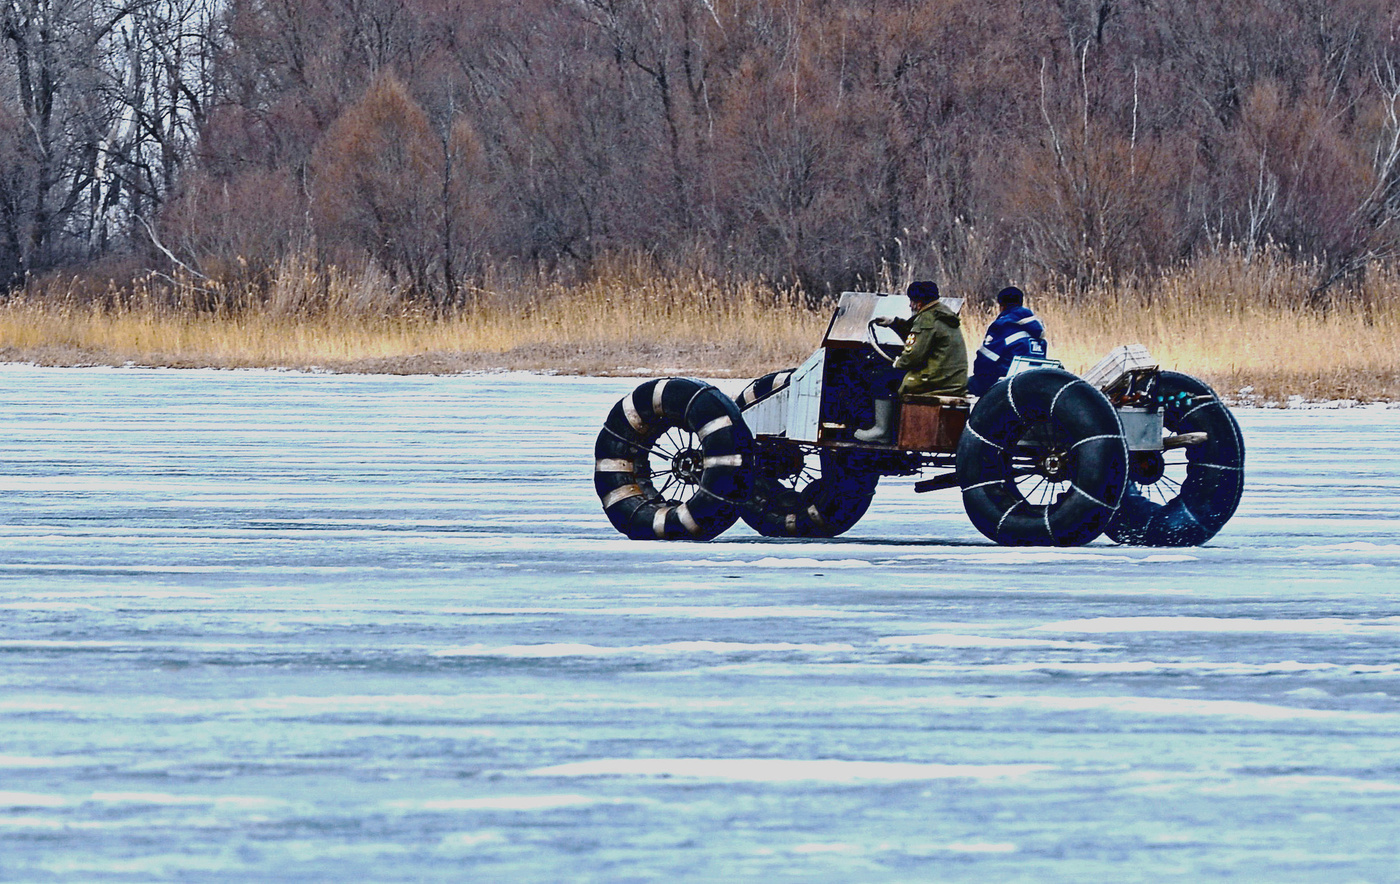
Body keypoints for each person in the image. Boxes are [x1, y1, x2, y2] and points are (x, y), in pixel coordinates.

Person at [854, 280, 968, 444]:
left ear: (918, 303)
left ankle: (882, 431)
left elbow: (912, 357)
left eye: (911, 302)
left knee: (880, 378)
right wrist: (894, 323)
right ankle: (889, 428)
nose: (910, 305)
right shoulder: (942, 313)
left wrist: (897, 363)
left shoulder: (926, 320)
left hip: (934, 380)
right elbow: (919, 336)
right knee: (890, 376)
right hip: (950, 378)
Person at [967, 285, 1047, 397]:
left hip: (1004, 384)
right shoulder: (1037, 330)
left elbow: (984, 362)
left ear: (1001, 306)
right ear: (1021, 302)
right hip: (1033, 384)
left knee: (965, 385)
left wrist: (979, 377)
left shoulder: (1002, 326)